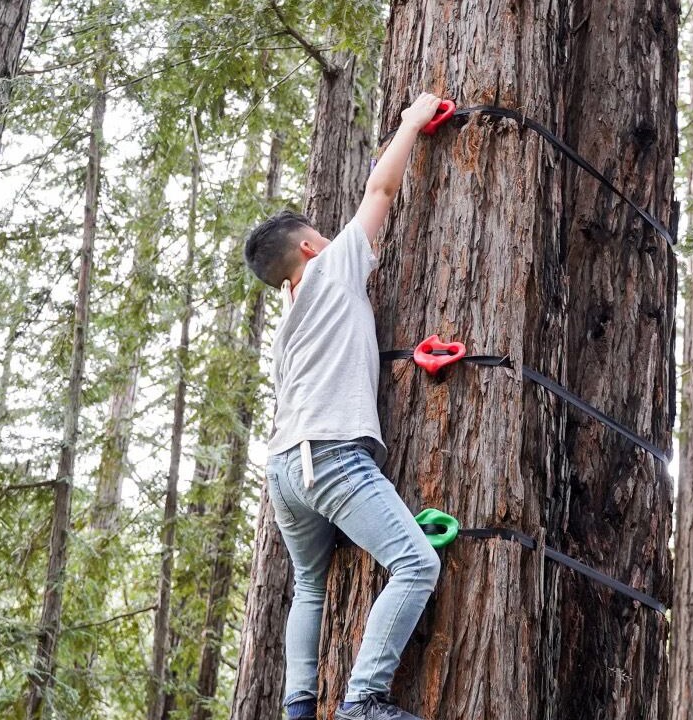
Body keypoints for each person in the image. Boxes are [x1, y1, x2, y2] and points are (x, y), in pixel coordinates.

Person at [243, 92, 446, 720]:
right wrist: (413, 121)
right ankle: (362, 702)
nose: (332, 240)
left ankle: (298, 708)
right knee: (414, 565)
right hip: (330, 457)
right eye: (320, 237)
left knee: (310, 584)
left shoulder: (290, 319)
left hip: (283, 471)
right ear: (309, 250)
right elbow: (380, 191)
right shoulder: (332, 269)